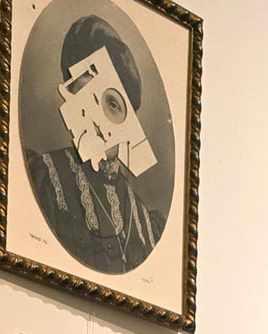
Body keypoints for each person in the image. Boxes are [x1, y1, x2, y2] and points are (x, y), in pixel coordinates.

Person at [23, 15, 168, 276]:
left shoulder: (150, 226)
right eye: (84, 102)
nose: (99, 123)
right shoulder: (41, 178)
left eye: (111, 104)